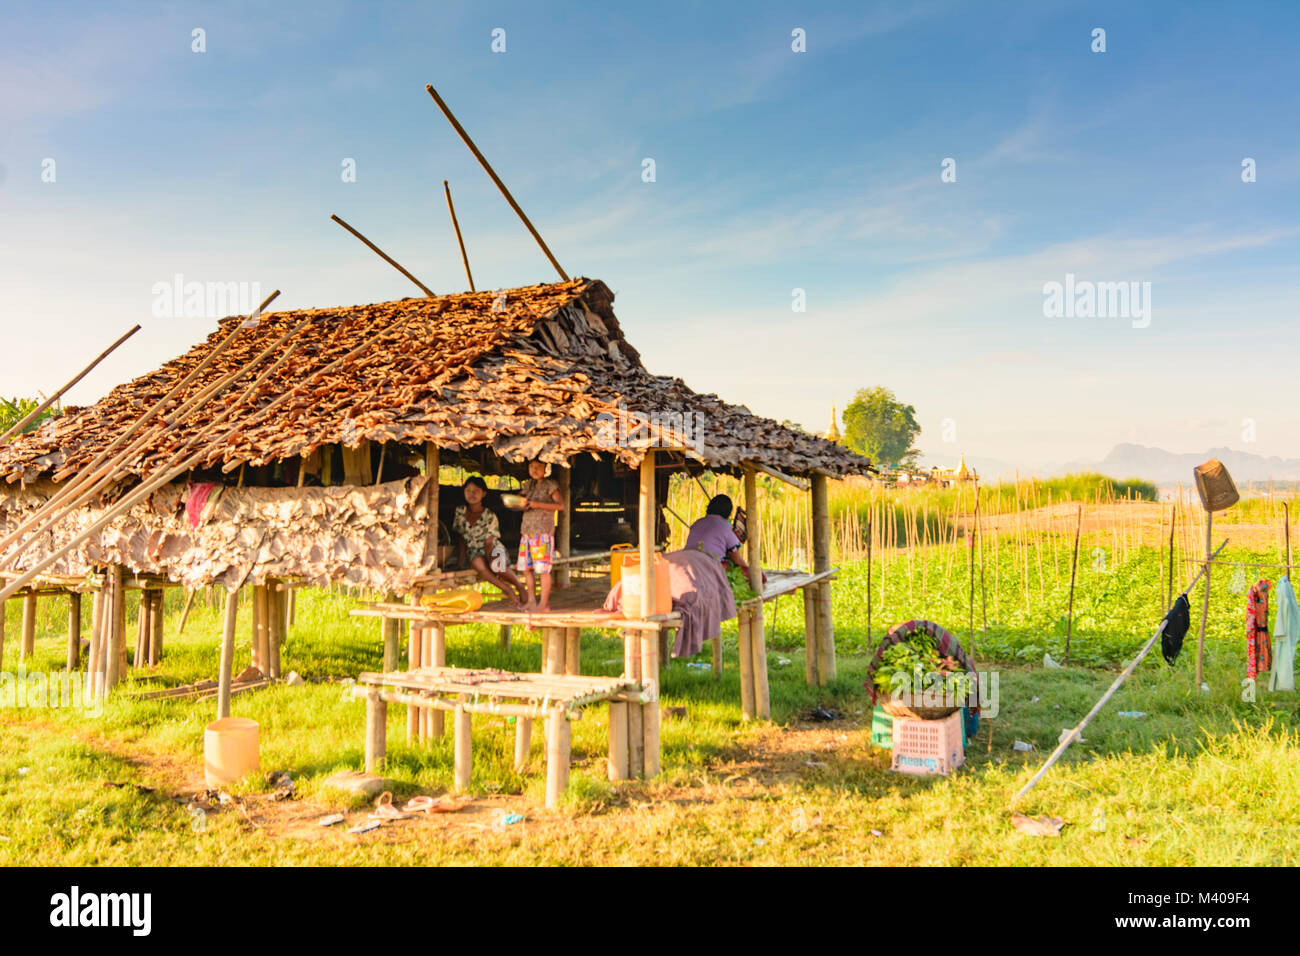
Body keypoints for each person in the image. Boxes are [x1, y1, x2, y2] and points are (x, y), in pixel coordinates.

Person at [453, 476, 526, 607]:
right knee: (477, 562)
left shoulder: (490, 515)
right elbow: (461, 538)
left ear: (484, 493)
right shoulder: (460, 512)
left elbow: (489, 543)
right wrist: (460, 562)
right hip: (474, 551)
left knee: (497, 565)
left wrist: (491, 564)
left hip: (494, 548)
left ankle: (520, 587)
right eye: (468, 490)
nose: (472, 494)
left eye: (476, 490)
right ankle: (508, 590)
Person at [684, 494, 764, 584]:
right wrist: (751, 572)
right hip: (707, 569)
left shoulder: (697, 523)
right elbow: (737, 559)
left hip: (687, 564)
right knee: (758, 576)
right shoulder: (725, 526)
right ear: (728, 512)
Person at [517, 459, 564, 611]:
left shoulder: (551, 485)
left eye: (538, 467)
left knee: (543, 570)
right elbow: (520, 500)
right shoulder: (528, 485)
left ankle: (543, 604)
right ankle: (531, 601)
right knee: (526, 569)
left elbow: (560, 505)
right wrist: (520, 502)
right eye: (531, 467)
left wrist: (538, 505)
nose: (534, 469)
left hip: (542, 533)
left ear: (546, 468)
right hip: (526, 532)